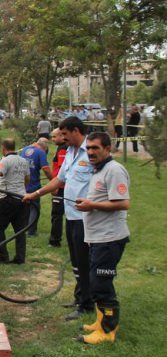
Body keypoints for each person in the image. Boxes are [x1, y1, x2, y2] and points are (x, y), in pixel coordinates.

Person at [23, 116, 94, 320]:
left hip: (85, 218)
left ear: (75, 131)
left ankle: (86, 304)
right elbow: (58, 180)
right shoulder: (70, 152)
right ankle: (79, 297)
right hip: (71, 215)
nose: (61, 138)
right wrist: (35, 194)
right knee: (76, 260)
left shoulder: (91, 152)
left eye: (64, 134)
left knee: (84, 260)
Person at [74, 132, 130, 344]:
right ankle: (100, 322)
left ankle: (107, 332)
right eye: (88, 148)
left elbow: (123, 203)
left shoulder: (114, 170)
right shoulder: (99, 170)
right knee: (98, 281)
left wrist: (92, 205)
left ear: (107, 148)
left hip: (110, 238)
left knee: (101, 284)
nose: (90, 152)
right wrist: (88, 202)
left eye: (95, 148)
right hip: (97, 238)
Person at [20, 138, 52, 236]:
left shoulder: (25, 149)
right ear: (45, 147)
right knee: (34, 207)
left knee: (25, 206)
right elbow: (46, 169)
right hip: (33, 184)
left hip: (23, 183)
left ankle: (23, 228)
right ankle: (31, 231)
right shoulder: (41, 152)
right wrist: (53, 180)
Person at [49, 128, 67, 247]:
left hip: (61, 187)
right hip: (61, 185)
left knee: (56, 214)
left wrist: (56, 186)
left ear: (62, 136)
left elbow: (62, 169)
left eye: (55, 136)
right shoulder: (61, 148)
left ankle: (55, 240)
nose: (53, 139)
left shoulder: (63, 149)